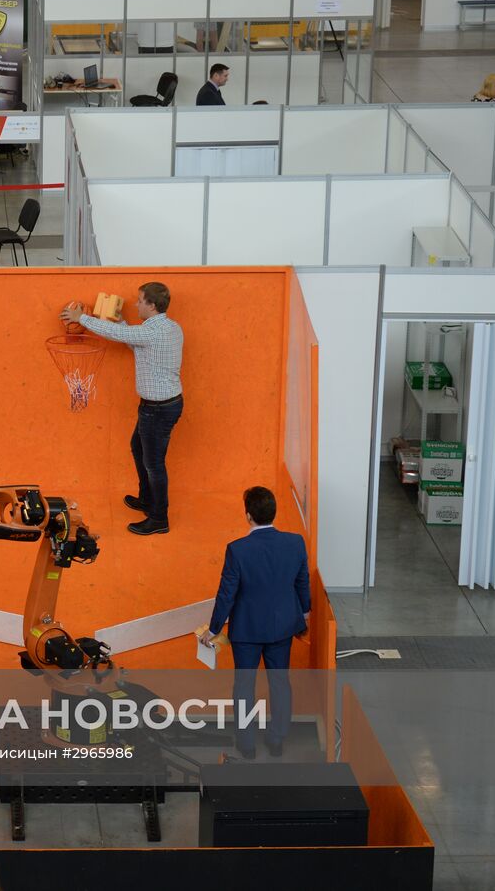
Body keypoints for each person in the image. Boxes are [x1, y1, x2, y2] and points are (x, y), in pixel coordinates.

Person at [61, 282, 184, 536]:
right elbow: (132, 340)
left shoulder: (152, 333)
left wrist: (80, 317)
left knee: (154, 464)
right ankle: (147, 500)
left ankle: (159, 518)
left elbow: (122, 336)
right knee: (138, 448)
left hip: (158, 409)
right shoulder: (169, 328)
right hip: (159, 406)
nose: (136, 304)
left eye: (140, 301)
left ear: (151, 305)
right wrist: (118, 320)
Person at [199, 487, 310, 759]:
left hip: (246, 631)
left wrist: (213, 630)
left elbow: (227, 594)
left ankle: (246, 744)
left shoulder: (237, 550)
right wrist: (304, 615)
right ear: (274, 512)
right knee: (280, 682)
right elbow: (302, 582)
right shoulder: (295, 543)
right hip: (283, 627)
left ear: (248, 515)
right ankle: (277, 739)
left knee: (244, 686)